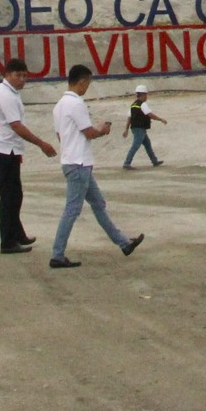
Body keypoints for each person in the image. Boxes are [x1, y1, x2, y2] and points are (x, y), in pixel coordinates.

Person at [49, 65, 146, 269]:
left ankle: (123, 243)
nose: (87, 88)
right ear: (82, 82)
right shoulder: (76, 104)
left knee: (98, 203)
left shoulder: (59, 106)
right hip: (79, 163)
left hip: (73, 160)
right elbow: (90, 133)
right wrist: (103, 129)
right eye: (88, 83)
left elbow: (61, 136)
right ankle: (57, 254)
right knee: (72, 210)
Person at [0, 58, 56, 255]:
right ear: (7, 75)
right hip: (3, 150)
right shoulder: (5, 95)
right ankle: (7, 242)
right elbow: (16, 126)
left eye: (25, 76)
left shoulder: (11, 93)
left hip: (9, 150)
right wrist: (41, 143)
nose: (22, 79)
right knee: (9, 198)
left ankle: (18, 234)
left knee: (15, 195)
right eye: (18, 75)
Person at [123, 84, 166, 170]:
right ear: (143, 94)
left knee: (147, 145)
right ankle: (127, 163)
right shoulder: (143, 104)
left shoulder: (133, 105)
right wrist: (160, 119)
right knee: (135, 146)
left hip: (135, 128)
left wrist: (126, 129)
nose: (147, 96)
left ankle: (154, 161)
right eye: (146, 94)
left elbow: (129, 118)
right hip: (140, 129)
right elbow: (150, 115)